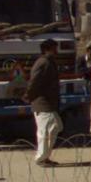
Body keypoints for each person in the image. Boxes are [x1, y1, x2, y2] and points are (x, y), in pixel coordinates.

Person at [25, 38, 63, 167]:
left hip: (49, 102)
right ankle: (41, 158)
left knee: (54, 127)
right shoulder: (43, 63)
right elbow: (34, 82)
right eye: (54, 48)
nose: (56, 51)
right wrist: (28, 95)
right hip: (42, 102)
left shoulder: (50, 62)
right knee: (45, 131)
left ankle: (45, 156)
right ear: (48, 49)